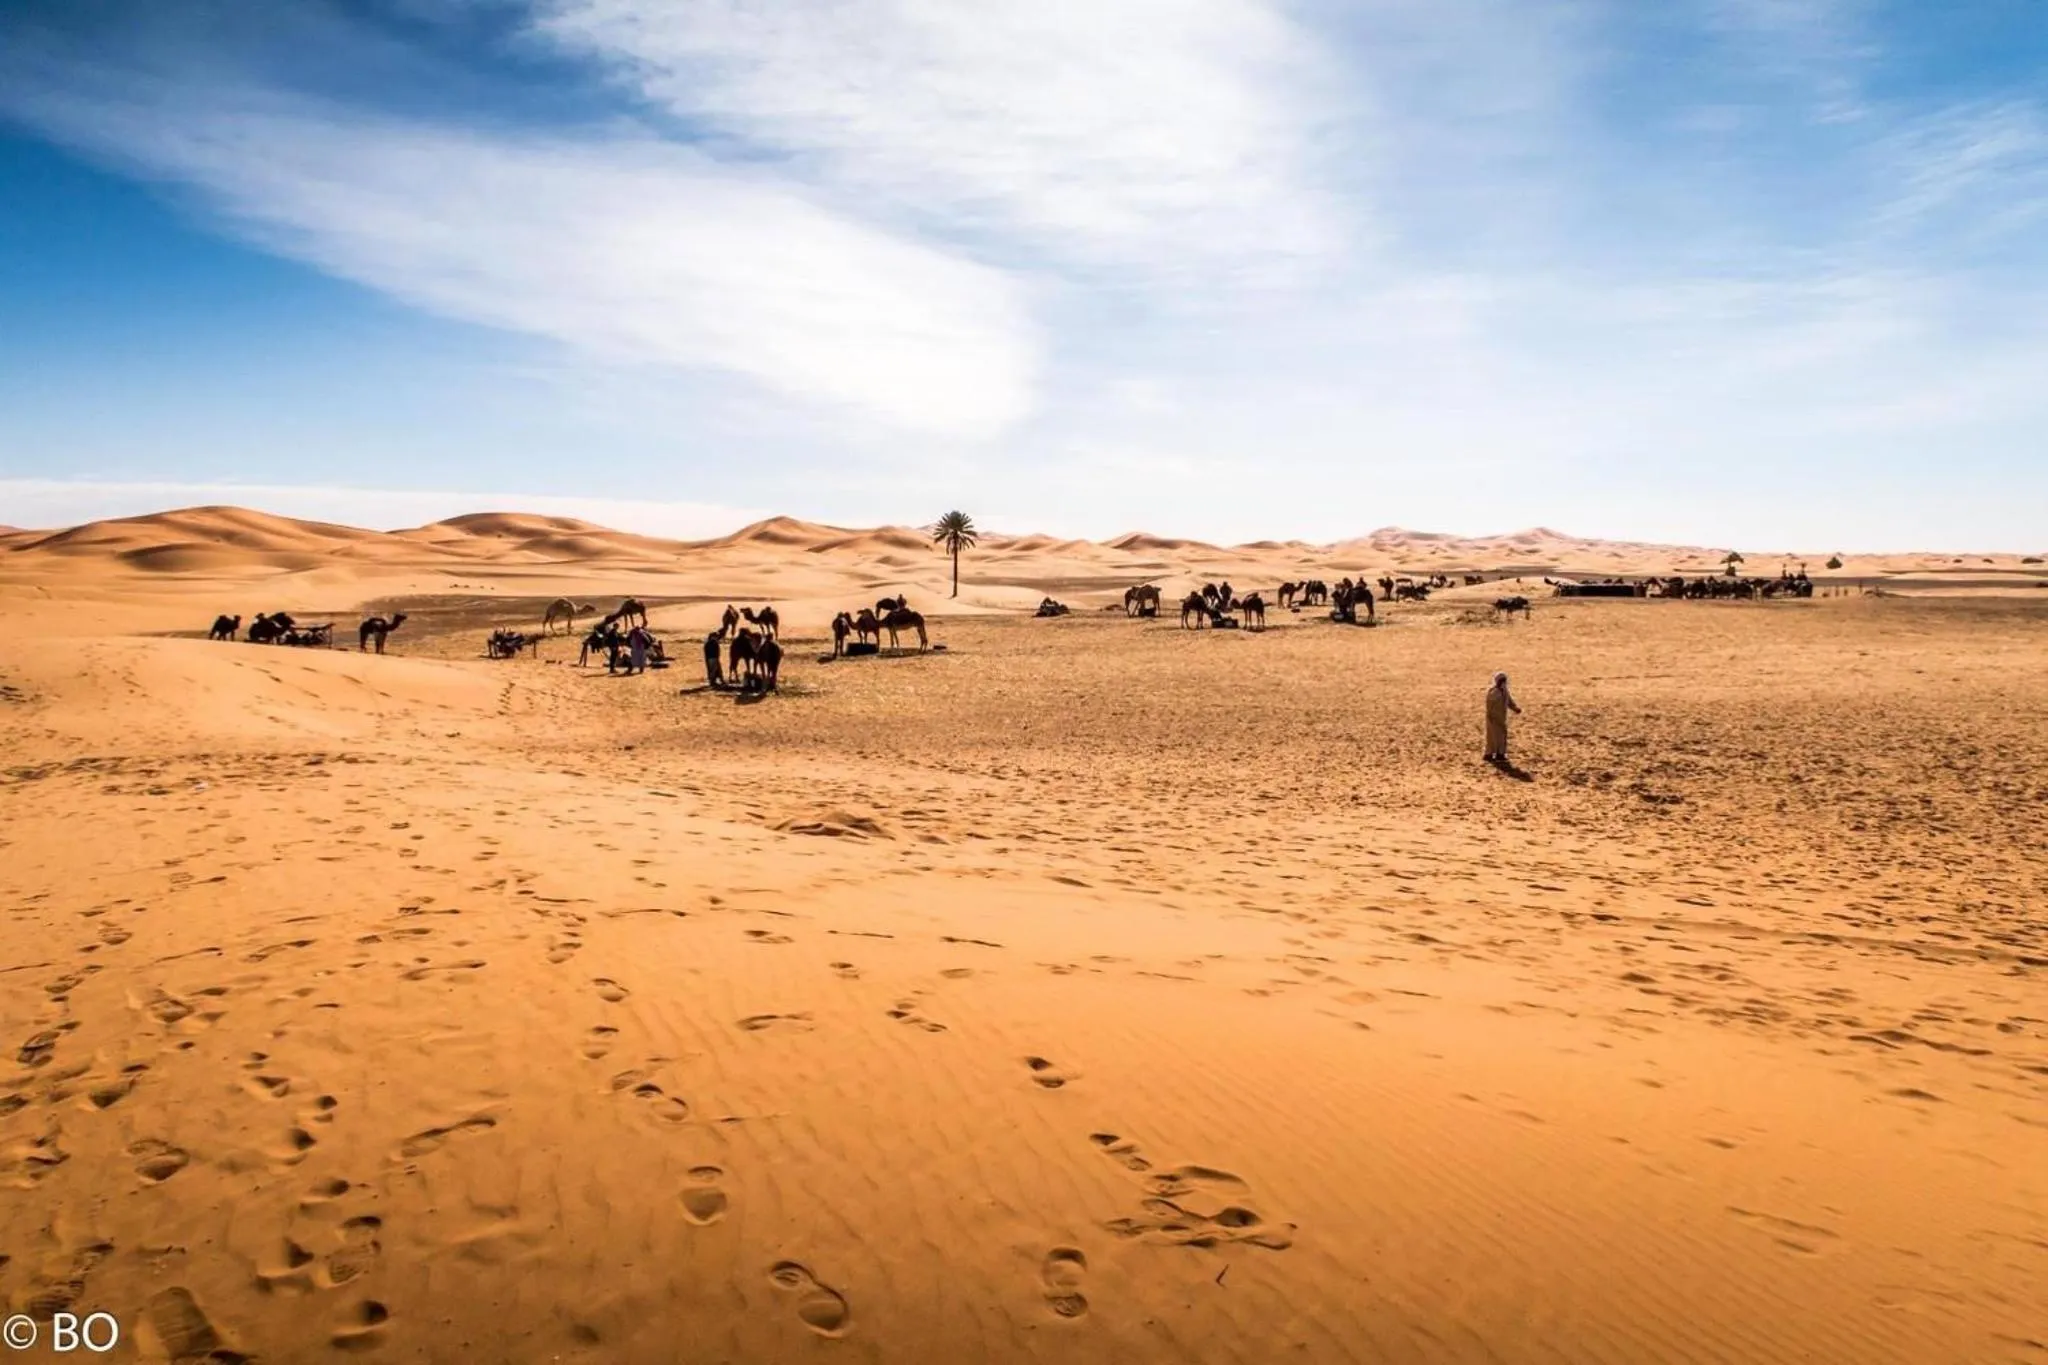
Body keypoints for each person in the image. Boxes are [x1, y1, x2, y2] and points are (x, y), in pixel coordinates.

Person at [1484, 671, 1521, 763]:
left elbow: (1509, 701)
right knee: (1492, 737)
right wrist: (1492, 716)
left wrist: (1515, 708)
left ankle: (1500, 754)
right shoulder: (1493, 692)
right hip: (1493, 719)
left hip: (1501, 718)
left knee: (1502, 736)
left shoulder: (1505, 691)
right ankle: (1489, 754)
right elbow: (1489, 705)